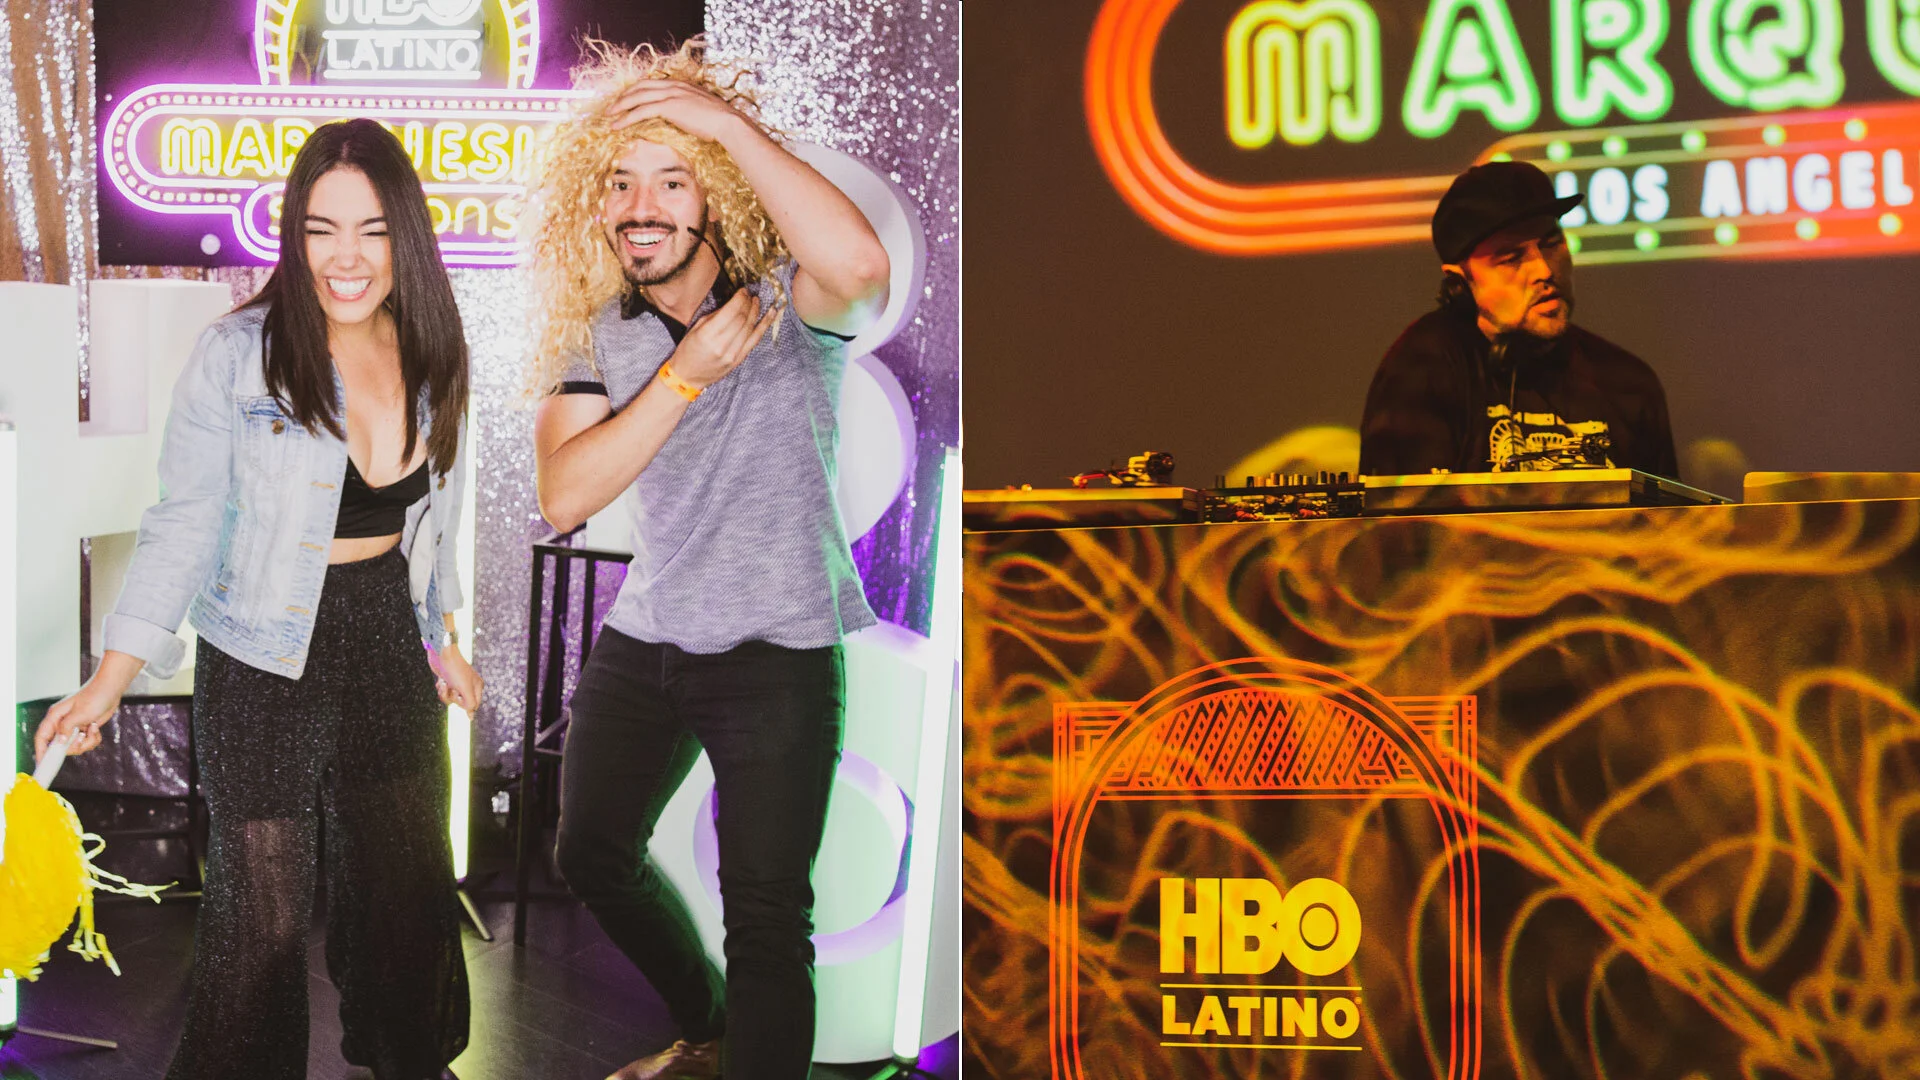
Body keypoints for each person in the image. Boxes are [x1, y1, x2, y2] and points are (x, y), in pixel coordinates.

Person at [33, 118, 480, 1080]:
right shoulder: (239, 356)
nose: (346, 258)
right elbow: (183, 523)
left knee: (405, 890)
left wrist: (441, 638)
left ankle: (413, 1061)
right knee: (262, 924)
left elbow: (428, 518)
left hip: (386, 649)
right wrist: (108, 683)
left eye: (370, 229)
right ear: (293, 234)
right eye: (321, 229)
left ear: (407, 233)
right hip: (263, 655)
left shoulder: (435, 349)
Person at [525, 37, 889, 1080]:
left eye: (672, 179)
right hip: (649, 636)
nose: (642, 205)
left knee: (768, 918)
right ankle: (705, 1028)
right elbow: (566, 494)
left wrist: (720, 121)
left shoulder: (791, 302)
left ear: (716, 194)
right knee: (589, 851)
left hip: (779, 645)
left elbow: (863, 269)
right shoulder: (593, 331)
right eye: (621, 182)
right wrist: (684, 376)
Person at [1359, 160, 1679, 479]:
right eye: (1512, 259)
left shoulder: (1629, 383)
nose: (1543, 271)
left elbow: (1671, 526)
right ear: (1460, 285)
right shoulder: (1422, 371)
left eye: (1551, 244)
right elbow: (1403, 525)